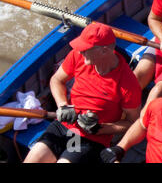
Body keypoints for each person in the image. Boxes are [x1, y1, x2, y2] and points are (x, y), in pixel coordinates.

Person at [23, 23, 142, 163]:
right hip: (64, 125)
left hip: (91, 138)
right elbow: (56, 80)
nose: (80, 52)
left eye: (85, 49)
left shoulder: (127, 83)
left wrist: (101, 128)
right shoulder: (78, 56)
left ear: (104, 51)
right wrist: (63, 105)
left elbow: (132, 122)